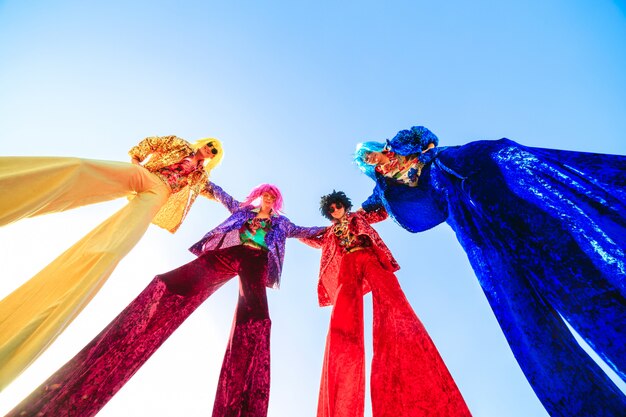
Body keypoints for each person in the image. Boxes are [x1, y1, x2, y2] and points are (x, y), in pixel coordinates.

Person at [354, 126, 626, 417]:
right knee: (511, 295)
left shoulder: (402, 141)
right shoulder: (382, 189)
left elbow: (425, 134)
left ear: (376, 147)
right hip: (464, 216)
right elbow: (363, 213)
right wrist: (329, 227)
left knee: (556, 249)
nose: (371, 160)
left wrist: (425, 154)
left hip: (474, 173)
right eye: (366, 161)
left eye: (369, 154)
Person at [6, 182, 325, 417]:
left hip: (255, 261)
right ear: (259, 195)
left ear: (277, 201)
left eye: (273, 196)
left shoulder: (282, 223)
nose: (268, 199)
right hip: (228, 253)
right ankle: (134, 331)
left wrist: (335, 231)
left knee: (254, 319)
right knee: (169, 285)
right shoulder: (244, 210)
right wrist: (204, 181)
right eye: (265, 194)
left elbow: (306, 231)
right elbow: (222, 195)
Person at [0, 135, 222, 390]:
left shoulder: (200, 177)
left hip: (159, 193)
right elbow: (152, 143)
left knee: (116, 247)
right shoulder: (179, 145)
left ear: (214, 158)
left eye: (214, 152)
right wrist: (136, 160)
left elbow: (216, 193)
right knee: (81, 169)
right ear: (203, 142)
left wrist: (245, 205)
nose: (209, 150)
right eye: (210, 144)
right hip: (145, 175)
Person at [302, 190, 471, 417]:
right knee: (343, 316)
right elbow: (303, 234)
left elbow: (382, 211)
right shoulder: (328, 232)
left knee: (393, 299)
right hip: (348, 264)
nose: (335, 210)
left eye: (338, 205)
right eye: (331, 209)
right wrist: (281, 227)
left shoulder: (359, 216)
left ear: (344, 204)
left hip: (368, 256)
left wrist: (390, 188)